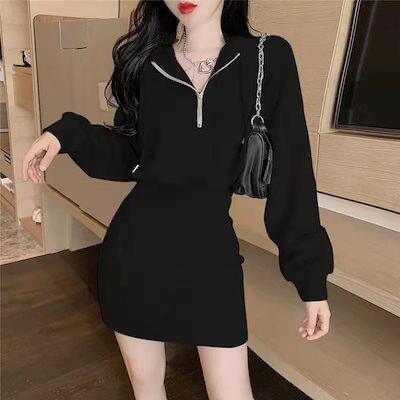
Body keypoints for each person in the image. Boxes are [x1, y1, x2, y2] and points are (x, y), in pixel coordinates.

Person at [22, 1, 334, 399]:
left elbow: (293, 174)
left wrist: (311, 279)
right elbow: (133, 156)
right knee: (147, 388)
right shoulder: (148, 63)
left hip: (211, 258)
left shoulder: (266, 58)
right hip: (134, 255)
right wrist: (66, 134)